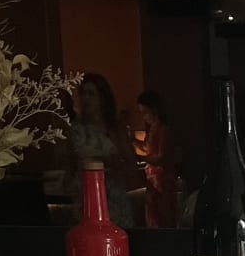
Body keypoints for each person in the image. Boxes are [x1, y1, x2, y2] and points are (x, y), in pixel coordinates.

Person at [64, 72, 140, 228]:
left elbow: (131, 164)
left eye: (91, 94)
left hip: (112, 197)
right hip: (84, 197)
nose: (86, 99)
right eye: (83, 94)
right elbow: (69, 166)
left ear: (102, 98)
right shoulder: (76, 130)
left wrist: (113, 165)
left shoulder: (114, 128)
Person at [131, 90, 179, 228]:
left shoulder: (164, 130)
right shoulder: (152, 129)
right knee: (152, 219)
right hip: (152, 182)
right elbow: (146, 148)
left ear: (154, 109)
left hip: (163, 183)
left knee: (163, 220)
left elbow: (161, 158)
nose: (144, 117)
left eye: (145, 112)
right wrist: (132, 140)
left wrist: (140, 157)